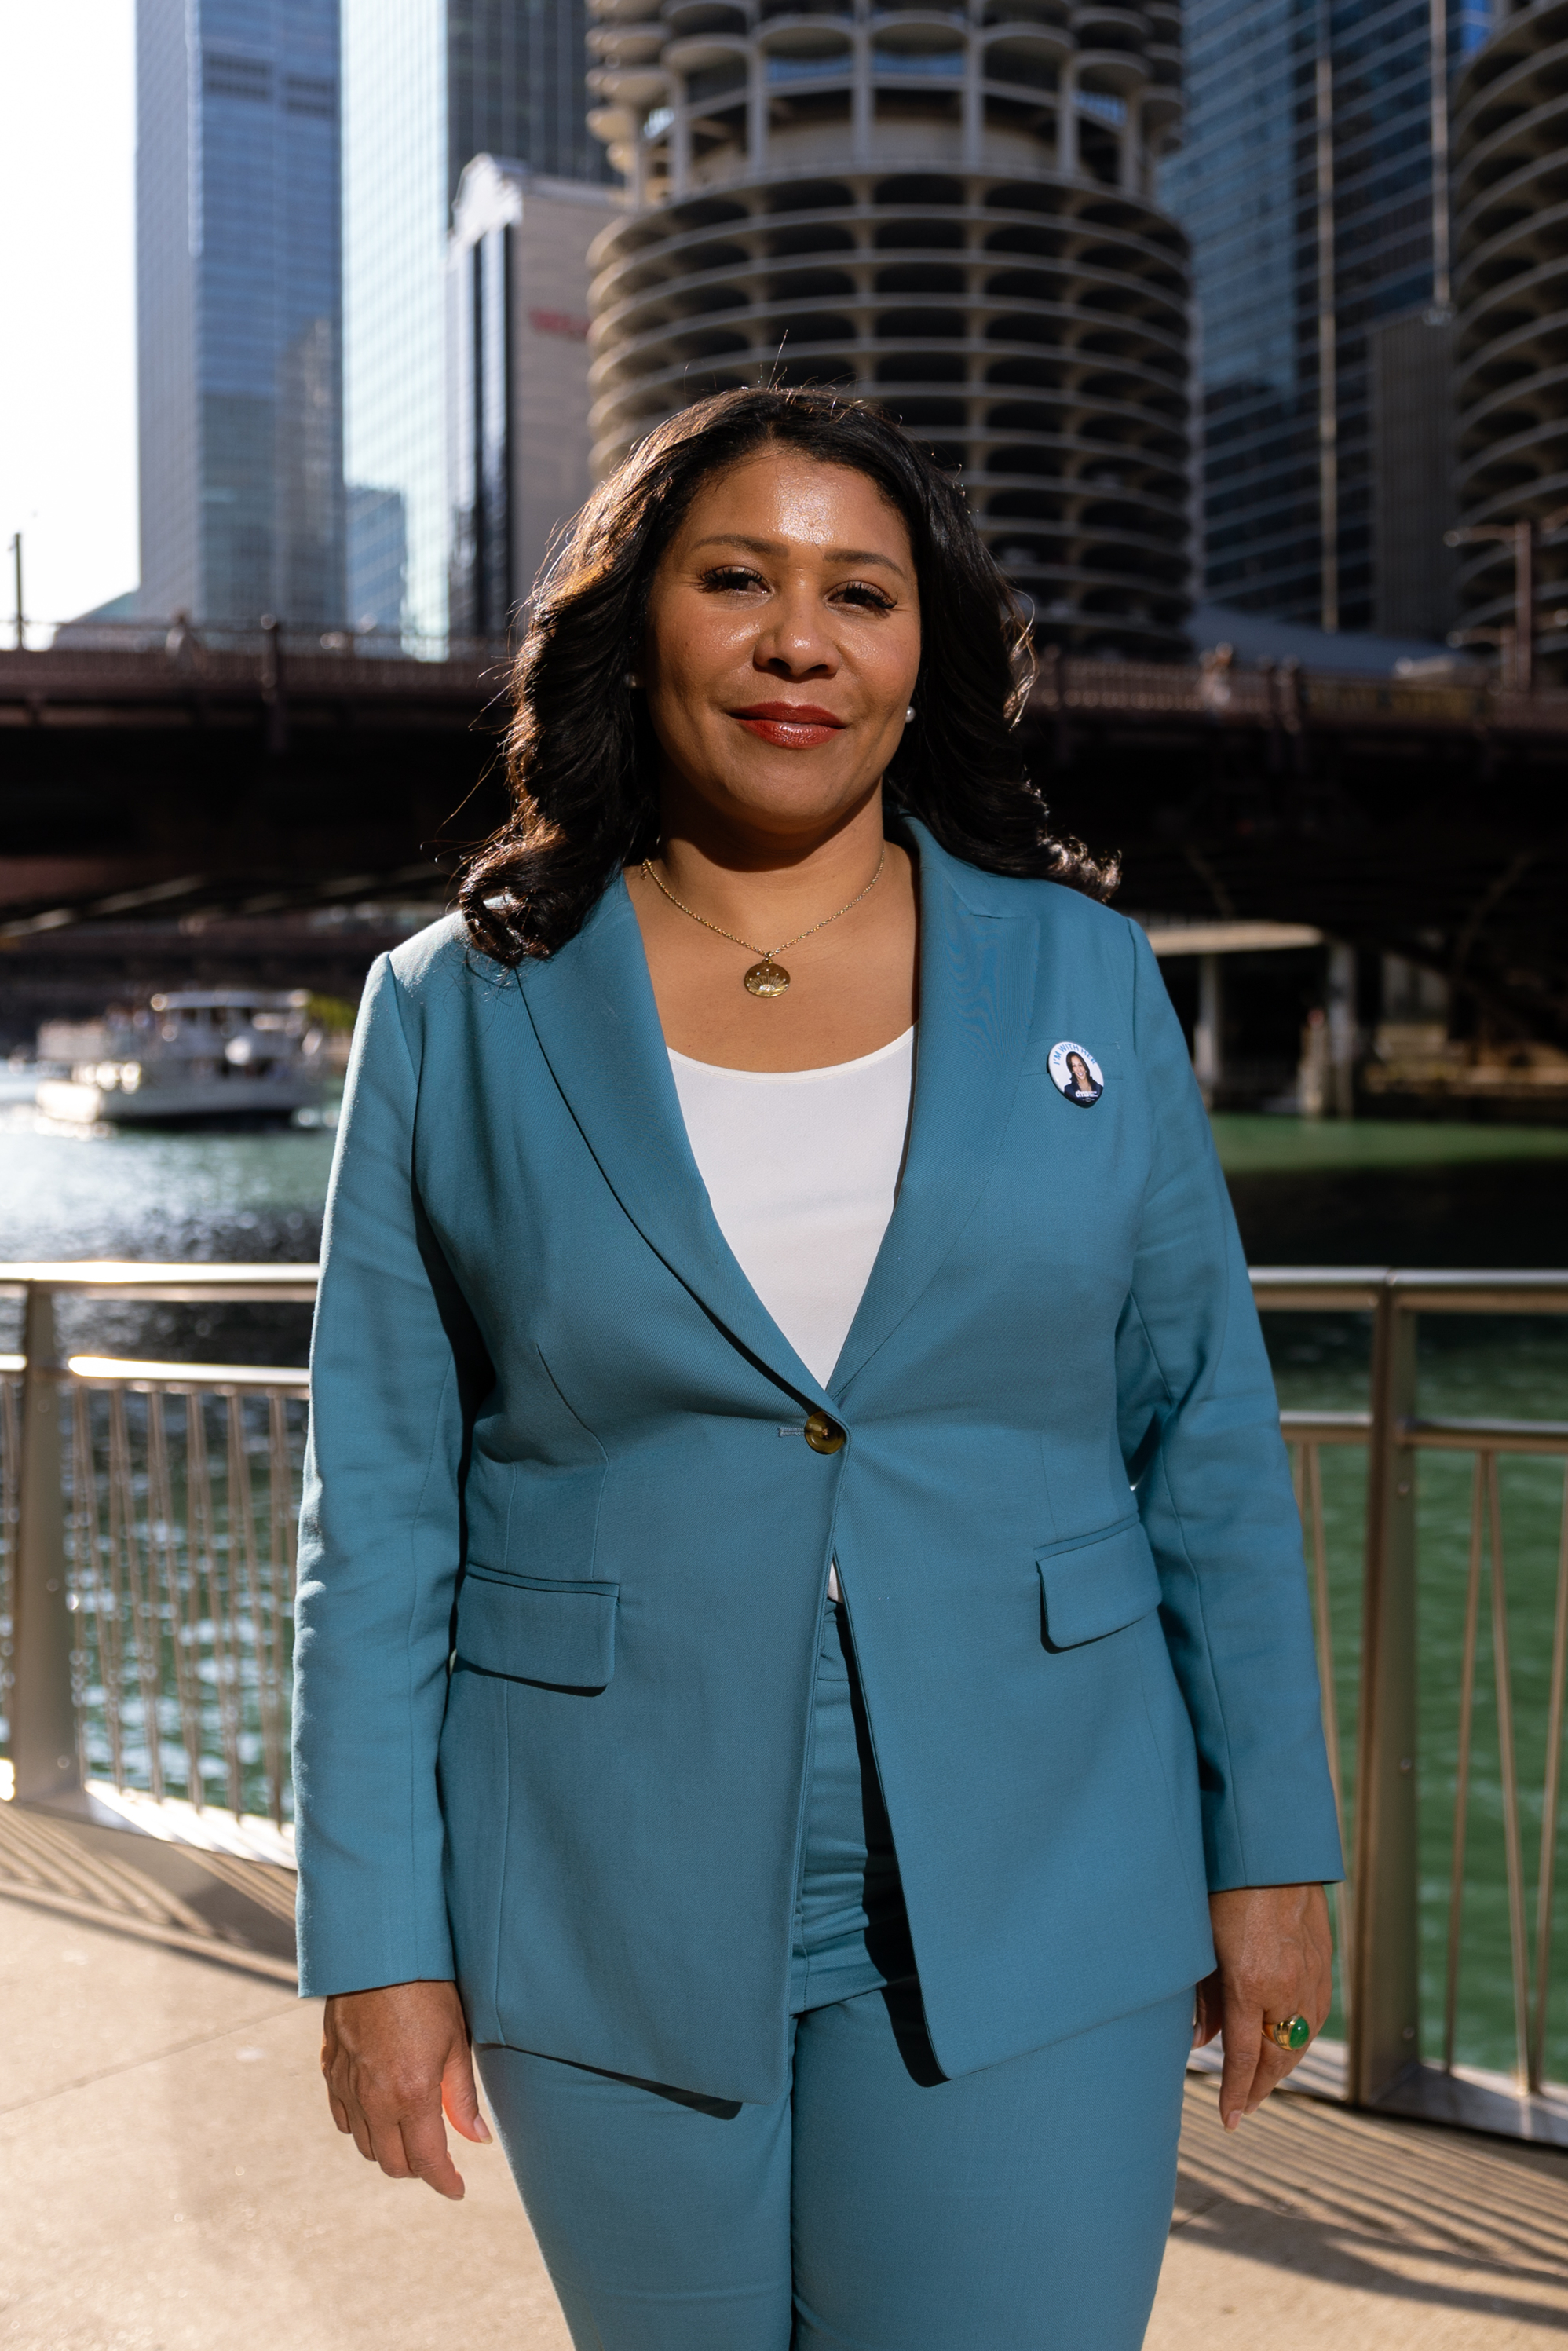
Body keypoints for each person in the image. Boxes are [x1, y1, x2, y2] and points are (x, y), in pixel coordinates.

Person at [293, 387, 1342, 2351]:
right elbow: (381, 1522)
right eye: (738, 580)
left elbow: (1202, 1435)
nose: (801, 641)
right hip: (597, 1868)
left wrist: (1272, 1845)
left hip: (1048, 1846)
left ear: (922, 649)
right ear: (640, 622)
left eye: (860, 591)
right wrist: (373, 1944)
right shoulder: (453, 1011)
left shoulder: (1083, 976)